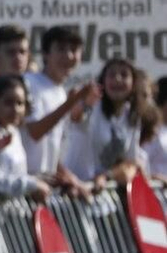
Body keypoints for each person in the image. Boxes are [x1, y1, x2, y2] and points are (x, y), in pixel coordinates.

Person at [21, 25, 99, 189]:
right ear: (45, 54)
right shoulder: (28, 83)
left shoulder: (61, 93)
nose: (69, 55)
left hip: (44, 187)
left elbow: (51, 148)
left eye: (74, 50)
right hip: (24, 185)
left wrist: (71, 179)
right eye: (61, 49)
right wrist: (71, 102)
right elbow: (34, 132)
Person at [66, 57, 159, 186]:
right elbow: (76, 117)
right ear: (103, 81)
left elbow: (130, 162)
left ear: (133, 84)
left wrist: (107, 176)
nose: (117, 79)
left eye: (124, 75)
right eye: (112, 74)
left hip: (103, 192)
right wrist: (84, 104)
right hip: (76, 188)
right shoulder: (93, 106)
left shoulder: (131, 116)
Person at [0, 77, 51, 202]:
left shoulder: (13, 130)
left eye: (20, 103)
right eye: (8, 103)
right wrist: (32, 185)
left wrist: (36, 180)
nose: (15, 109)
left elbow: (15, 175)